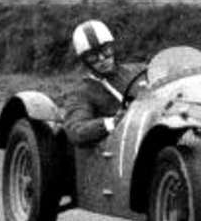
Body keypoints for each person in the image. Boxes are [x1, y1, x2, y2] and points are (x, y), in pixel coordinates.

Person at [61, 19, 144, 147]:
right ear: (85, 61)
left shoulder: (137, 71)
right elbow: (76, 129)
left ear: (112, 48)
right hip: (120, 146)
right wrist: (112, 122)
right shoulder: (81, 92)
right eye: (93, 56)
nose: (102, 59)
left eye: (105, 51)